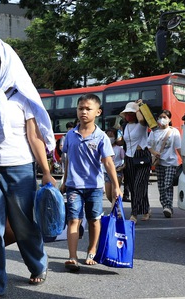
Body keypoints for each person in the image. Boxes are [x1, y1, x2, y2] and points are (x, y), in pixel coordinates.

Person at [0, 38, 56, 299]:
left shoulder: (23, 98)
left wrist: (46, 171)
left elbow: (35, 137)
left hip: (20, 170)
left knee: (24, 225)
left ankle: (38, 263)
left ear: (7, 67)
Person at [60, 94, 123, 272]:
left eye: (88, 109)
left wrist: (117, 187)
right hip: (74, 186)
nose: (84, 112)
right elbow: (67, 160)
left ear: (98, 112)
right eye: (81, 108)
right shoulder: (70, 135)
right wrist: (64, 181)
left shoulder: (101, 137)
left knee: (94, 220)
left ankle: (91, 250)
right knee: (73, 220)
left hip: (94, 187)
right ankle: (72, 257)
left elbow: (109, 163)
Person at [120, 100, 151, 223]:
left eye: (131, 113)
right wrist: (124, 162)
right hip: (129, 158)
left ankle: (134, 213)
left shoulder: (142, 124)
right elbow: (125, 145)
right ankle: (146, 209)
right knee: (133, 187)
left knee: (139, 185)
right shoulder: (125, 126)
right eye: (127, 113)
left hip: (142, 157)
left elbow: (142, 120)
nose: (128, 115)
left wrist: (138, 108)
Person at [148, 110, 181, 218]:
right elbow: (148, 145)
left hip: (171, 162)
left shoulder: (174, 131)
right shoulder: (154, 132)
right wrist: (154, 152)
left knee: (168, 184)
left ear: (169, 119)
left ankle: (168, 207)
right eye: (160, 117)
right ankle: (165, 206)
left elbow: (179, 147)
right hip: (159, 162)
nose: (162, 119)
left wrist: (184, 160)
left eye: (165, 117)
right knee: (161, 186)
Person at [104, 127, 125, 203]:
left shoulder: (119, 149)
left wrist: (121, 167)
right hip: (106, 173)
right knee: (108, 195)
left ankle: (116, 213)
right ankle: (117, 206)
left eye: (111, 135)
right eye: (108, 135)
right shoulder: (103, 148)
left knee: (114, 195)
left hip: (117, 172)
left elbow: (125, 160)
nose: (109, 138)